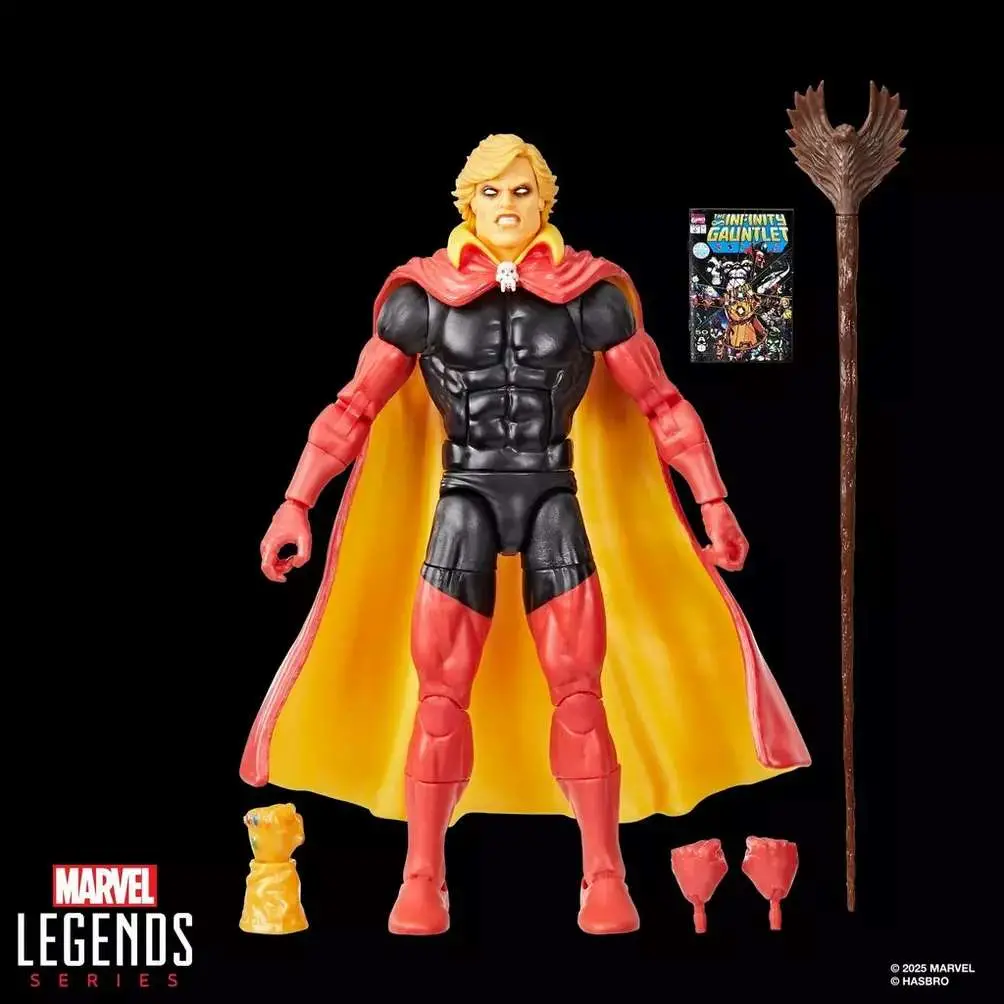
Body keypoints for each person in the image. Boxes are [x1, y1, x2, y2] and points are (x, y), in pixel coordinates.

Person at [243, 134, 810, 936]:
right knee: (440, 696)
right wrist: (295, 502)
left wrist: (713, 501)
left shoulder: (590, 296)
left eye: (521, 191)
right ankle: (422, 875)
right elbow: (353, 409)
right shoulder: (423, 298)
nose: (506, 206)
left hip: (552, 496)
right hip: (464, 500)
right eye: (490, 192)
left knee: (579, 692)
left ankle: (603, 872)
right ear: (466, 203)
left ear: (546, 201)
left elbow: (662, 405)